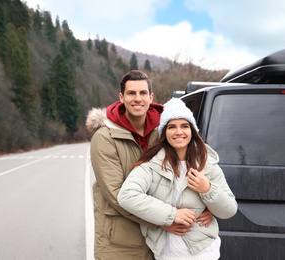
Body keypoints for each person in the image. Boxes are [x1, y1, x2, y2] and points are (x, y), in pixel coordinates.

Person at [86, 71, 213, 260]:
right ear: (121, 98)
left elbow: (192, 165)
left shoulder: (165, 131)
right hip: (121, 243)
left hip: (161, 242)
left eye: (143, 93)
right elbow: (117, 195)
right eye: (131, 93)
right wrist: (165, 220)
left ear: (151, 97)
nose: (138, 99)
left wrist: (208, 203)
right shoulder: (105, 138)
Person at [117, 97, 238, 260]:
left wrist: (208, 190)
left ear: (192, 131)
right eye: (172, 127)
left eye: (184, 126)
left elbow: (229, 210)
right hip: (166, 253)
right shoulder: (152, 165)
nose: (179, 132)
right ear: (164, 133)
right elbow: (127, 196)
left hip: (203, 252)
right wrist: (171, 215)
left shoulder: (208, 165)